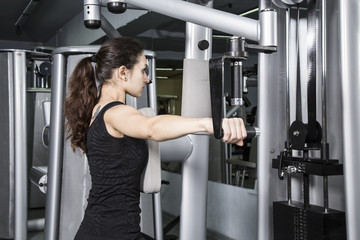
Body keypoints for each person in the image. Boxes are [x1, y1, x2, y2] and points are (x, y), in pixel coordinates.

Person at [64, 37, 247, 240]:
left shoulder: (97, 110)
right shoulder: (116, 113)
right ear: (123, 72)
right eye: (143, 70)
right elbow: (151, 127)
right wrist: (210, 123)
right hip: (113, 233)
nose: (147, 79)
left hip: (100, 229)